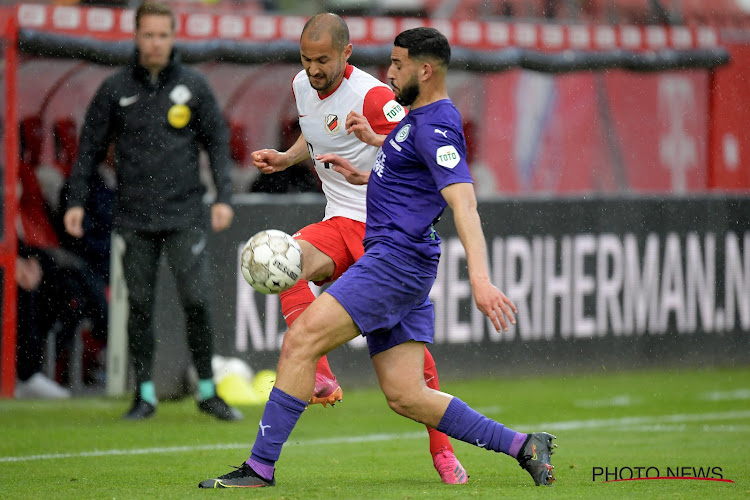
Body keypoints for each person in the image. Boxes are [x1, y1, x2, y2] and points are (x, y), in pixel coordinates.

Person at [200, 27, 557, 488]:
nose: (387, 74)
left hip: (394, 262)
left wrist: (481, 279)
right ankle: (524, 445)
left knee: (301, 340)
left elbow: (463, 201)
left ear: (424, 70)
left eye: (397, 65)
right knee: (408, 395)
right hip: (398, 260)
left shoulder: (436, 125)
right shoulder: (416, 118)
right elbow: (411, 180)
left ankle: (259, 468)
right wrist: (363, 170)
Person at [249, 13, 467, 484]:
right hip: (340, 220)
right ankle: (320, 374)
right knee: (286, 260)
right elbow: (314, 129)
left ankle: (443, 451)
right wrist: (287, 157)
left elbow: (414, 137)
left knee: (413, 368)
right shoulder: (301, 85)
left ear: (346, 54)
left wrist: (371, 142)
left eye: (323, 60)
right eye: (306, 59)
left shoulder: (373, 94)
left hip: (383, 228)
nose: (313, 69)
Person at [64, 1, 241, 421]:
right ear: (136, 36)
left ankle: (207, 390)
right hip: (133, 216)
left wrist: (223, 197)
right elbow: (87, 149)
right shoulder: (115, 88)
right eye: (149, 34)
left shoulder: (195, 86)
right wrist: (75, 201)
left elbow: (218, 143)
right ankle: (144, 394)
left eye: (163, 34)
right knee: (139, 305)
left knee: (196, 300)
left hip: (184, 213)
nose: (156, 42)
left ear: (173, 36)